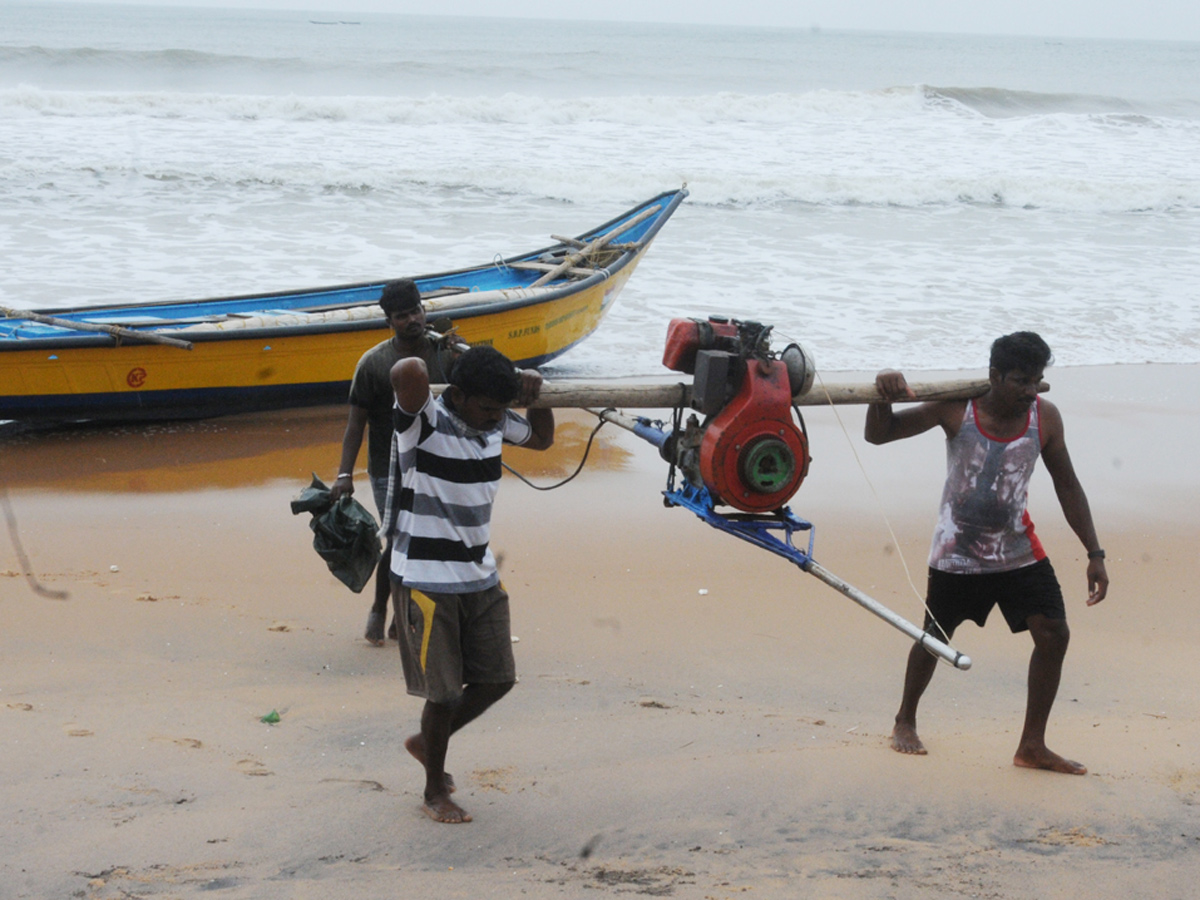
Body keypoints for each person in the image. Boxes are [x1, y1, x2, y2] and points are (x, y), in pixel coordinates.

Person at [864, 332, 1109, 775]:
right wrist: (881, 396)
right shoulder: (955, 408)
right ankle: (905, 720)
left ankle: (1032, 746)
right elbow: (880, 436)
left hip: (1017, 549)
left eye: (1036, 380)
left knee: (1054, 633)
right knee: (935, 637)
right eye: (1020, 380)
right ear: (994, 376)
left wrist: (1095, 552)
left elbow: (1067, 484)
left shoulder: (1045, 418)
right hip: (957, 552)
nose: (1030, 391)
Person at [387, 345, 554, 823]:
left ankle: (425, 743)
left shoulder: (496, 422)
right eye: (486, 408)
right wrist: (428, 364)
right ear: (457, 395)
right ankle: (434, 789)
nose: (494, 419)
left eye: (501, 410)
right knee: (442, 695)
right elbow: (408, 370)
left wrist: (534, 386)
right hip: (426, 577)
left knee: (498, 677)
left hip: (478, 573)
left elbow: (541, 437)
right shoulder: (423, 425)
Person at [329, 279, 460, 646]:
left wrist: (460, 356)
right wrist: (344, 474)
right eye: (402, 316)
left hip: (438, 464)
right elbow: (356, 424)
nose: (412, 320)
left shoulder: (444, 353)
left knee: (431, 541)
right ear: (390, 321)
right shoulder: (373, 363)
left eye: (416, 311)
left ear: (424, 310)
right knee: (400, 541)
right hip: (390, 468)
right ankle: (380, 608)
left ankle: (406, 615)